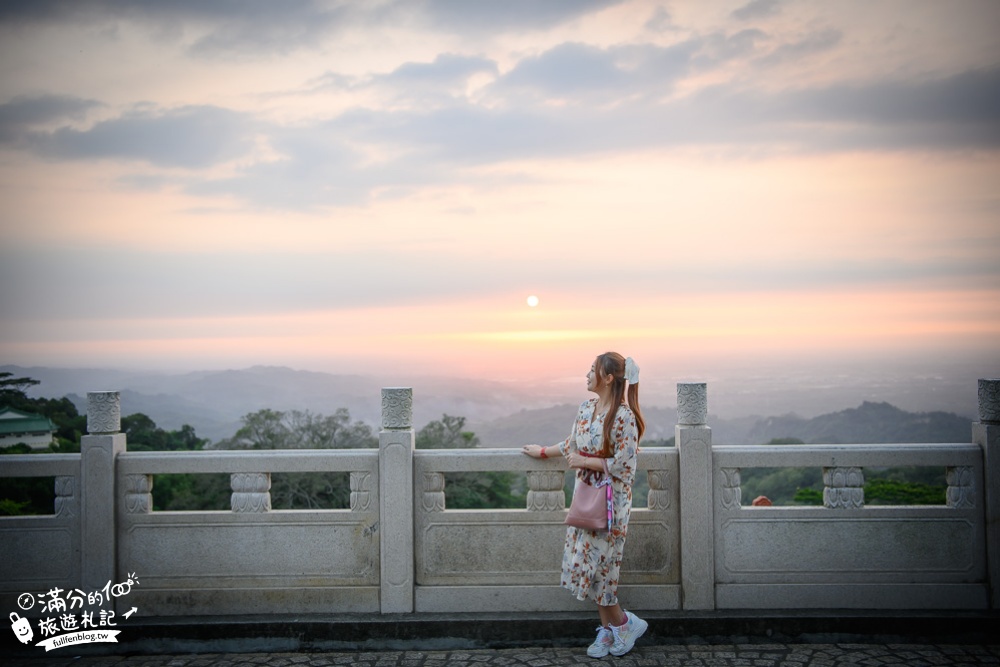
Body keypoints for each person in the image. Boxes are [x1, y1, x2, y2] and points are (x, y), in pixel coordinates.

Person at [522, 351, 647, 658]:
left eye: (592, 370)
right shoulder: (586, 408)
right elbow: (572, 443)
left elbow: (626, 465)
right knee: (589, 568)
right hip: (586, 499)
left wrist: (585, 462)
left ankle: (623, 623)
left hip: (610, 505)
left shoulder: (624, 417)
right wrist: (542, 452)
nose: (587, 375)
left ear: (607, 378)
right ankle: (608, 631)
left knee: (603, 568)